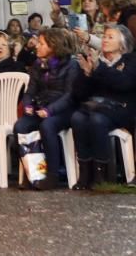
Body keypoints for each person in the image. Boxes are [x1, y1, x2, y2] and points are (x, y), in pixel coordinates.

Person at [12, 28, 78, 190]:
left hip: (63, 110)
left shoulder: (71, 65)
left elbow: (69, 95)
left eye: (41, 43)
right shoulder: (37, 64)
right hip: (41, 106)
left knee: (47, 125)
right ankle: (32, 173)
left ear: (54, 46)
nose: (37, 46)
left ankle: (52, 175)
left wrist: (50, 111)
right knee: (20, 126)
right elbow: (30, 90)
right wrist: (27, 104)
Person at [71, 23, 136, 189]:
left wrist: (100, 69)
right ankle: (85, 173)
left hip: (122, 108)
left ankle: (102, 175)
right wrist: (86, 74)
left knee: (97, 120)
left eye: (110, 37)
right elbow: (79, 94)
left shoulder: (130, 60)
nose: (104, 40)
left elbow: (123, 84)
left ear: (122, 43)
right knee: (77, 117)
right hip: (97, 106)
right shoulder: (96, 60)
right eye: (104, 36)